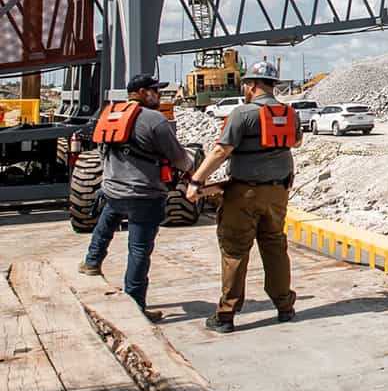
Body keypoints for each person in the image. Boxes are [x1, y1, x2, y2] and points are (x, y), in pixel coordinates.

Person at [187, 61, 301, 333]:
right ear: (273, 84)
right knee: (274, 246)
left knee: (235, 250)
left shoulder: (242, 113)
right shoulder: (289, 113)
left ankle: (225, 315)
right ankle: (284, 306)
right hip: (277, 192)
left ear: (251, 85)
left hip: (244, 193)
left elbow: (220, 151)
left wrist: (196, 181)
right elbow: (296, 142)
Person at [79, 74, 195, 322]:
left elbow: (101, 151)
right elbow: (178, 158)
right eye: (156, 91)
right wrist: (194, 164)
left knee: (107, 220)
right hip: (144, 194)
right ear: (143, 92)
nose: (160, 95)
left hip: (113, 190)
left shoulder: (109, 115)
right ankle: (134, 305)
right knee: (139, 250)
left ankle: (91, 261)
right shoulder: (155, 120)